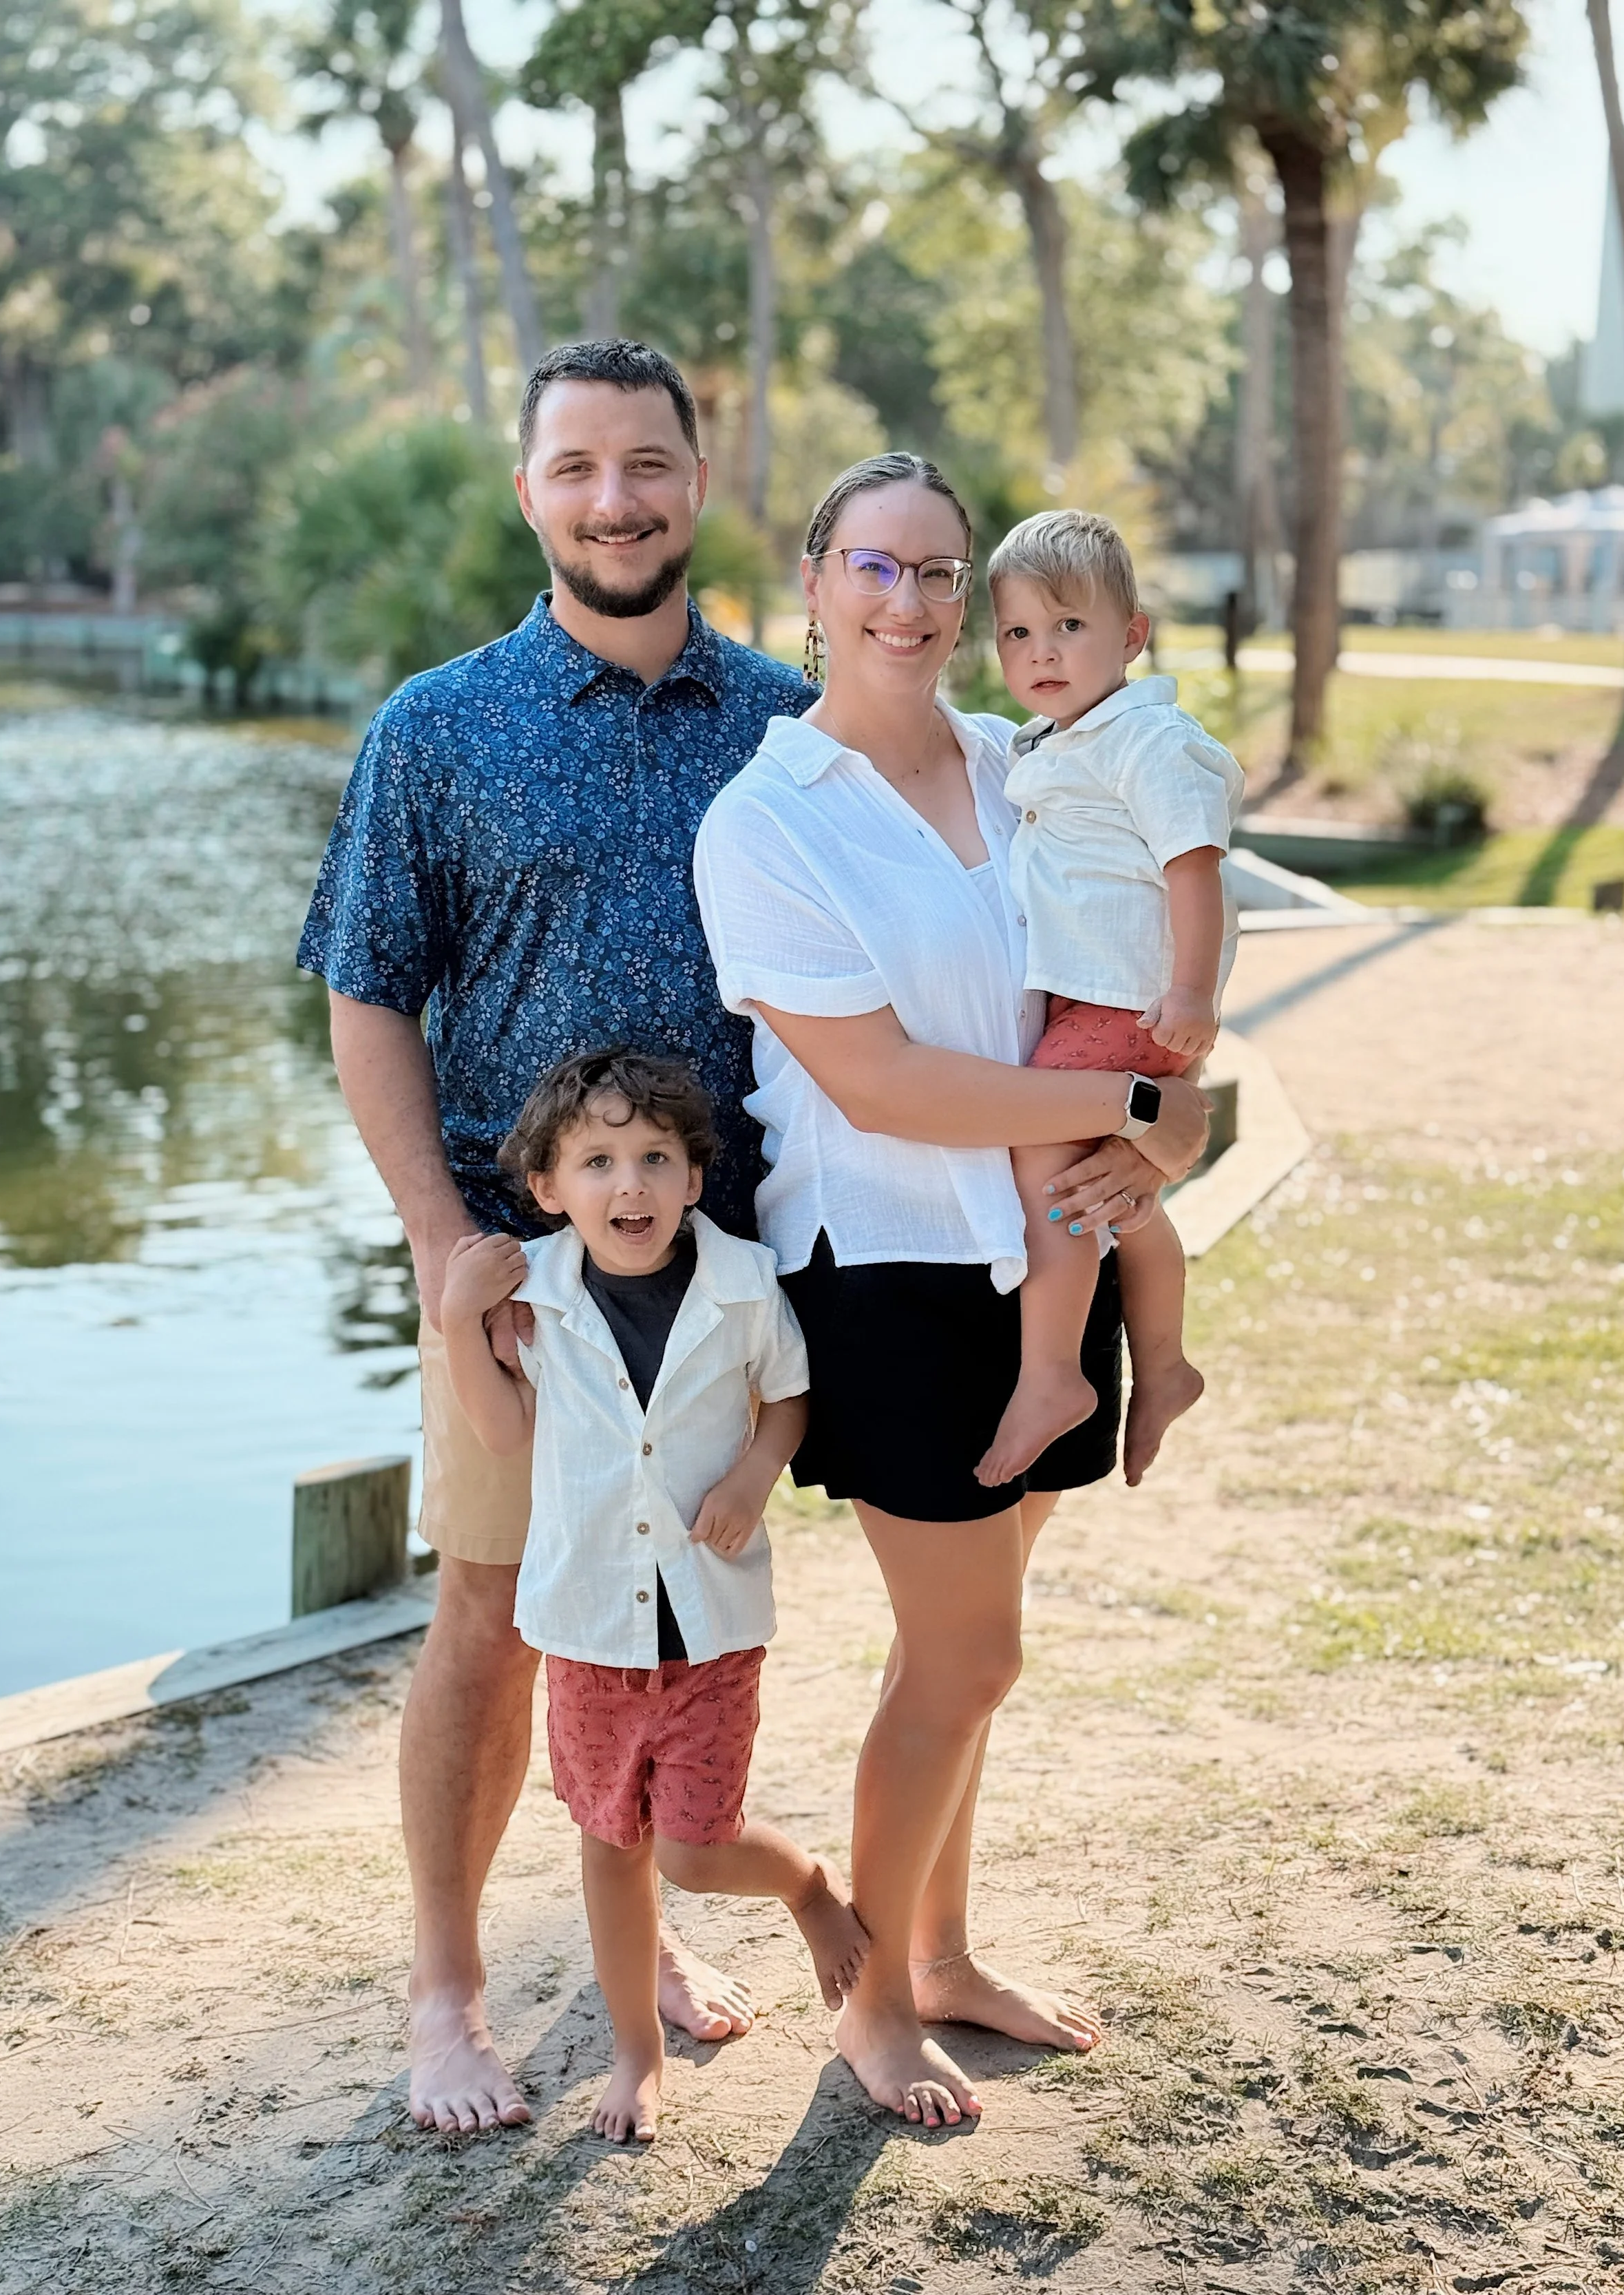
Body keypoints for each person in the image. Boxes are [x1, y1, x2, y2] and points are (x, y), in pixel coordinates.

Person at [296, 337, 816, 2136]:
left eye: (648, 462)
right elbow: (367, 998)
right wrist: (445, 1241)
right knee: (491, 1621)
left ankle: (635, 1945)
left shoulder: (789, 723)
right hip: (520, 1293)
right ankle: (443, 1996)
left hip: (722, 1284)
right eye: (577, 465)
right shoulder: (436, 729)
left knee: (672, 1632)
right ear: (529, 490)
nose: (616, 497)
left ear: (698, 475)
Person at [693, 454, 1210, 2129]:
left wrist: (1166, 1111)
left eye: (939, 575)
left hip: (1040, 1257)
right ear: (813, 578)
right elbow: (892, 1087)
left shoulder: (1033, 764)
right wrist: (1135, 1109)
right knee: (962, 1659)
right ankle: (866, 2004)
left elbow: (1132, 982)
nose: (907, 606)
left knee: (980, 1644)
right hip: (887, 1272)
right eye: (873, 568)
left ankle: (942, 1952)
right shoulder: (766, 819)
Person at [439, 1049, 866, 2143]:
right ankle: (636, 2054)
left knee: (692, 1847)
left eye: (654, 1158)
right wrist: (456, 1321)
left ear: (691, 1176)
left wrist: (751, 1476)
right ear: (548, 1187)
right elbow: (502, 1433)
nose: (628, 1185)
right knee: (609, 1844)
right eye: (596, 1162)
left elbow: (788, 1397)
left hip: (710, 1626)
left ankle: (809, 1887)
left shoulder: (744, 1283)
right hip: (587, 1629)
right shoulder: (527, 1292)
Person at [976, 510, 1243, 1489]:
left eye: (1069, 628)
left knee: (1048, 1173)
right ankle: (1165, 1365)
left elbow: (1194, 867)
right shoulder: (1051, 740)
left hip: (1129, 1009)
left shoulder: (1146, 740)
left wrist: (1190, 995)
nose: (1040, 652)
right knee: (1117, 1202)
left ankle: (1053, 1374)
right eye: (1016, 633)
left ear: (1132, 635)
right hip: (1106, 1009)